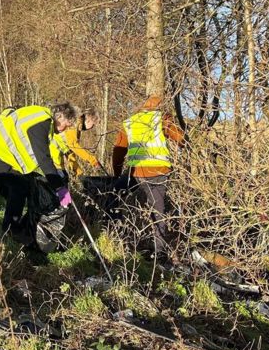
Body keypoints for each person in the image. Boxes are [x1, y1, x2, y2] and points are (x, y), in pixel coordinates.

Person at [0, 103, 76, 239]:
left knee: (21, 188)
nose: (64, 130)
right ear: (60, 117)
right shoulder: (42, 122)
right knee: (18, 189)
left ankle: (16, 230)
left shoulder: (40, 117)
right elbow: (44, 158)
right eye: (66, 125)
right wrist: (59, 187)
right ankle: (12, 232)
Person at [112, 95, 184, 260]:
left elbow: (118, 151)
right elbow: (181, 138)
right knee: (158, 211)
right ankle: (160, 253)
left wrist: (116, 175)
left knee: (118, 198)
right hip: (158, 171)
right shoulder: (162, 118)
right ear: (159, 106)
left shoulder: (129, 122)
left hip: (136, 173)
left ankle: (119, 237)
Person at [54, 107, 102, 178]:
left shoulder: (78, 125)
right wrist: (92, 160)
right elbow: (73, 146)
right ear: (89, 120)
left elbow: (70, 152)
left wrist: (78, 172)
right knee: (59, 178)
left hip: (56, 152)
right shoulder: (75, 121)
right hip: (53, 152)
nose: (92, 127)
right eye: (93, 124)